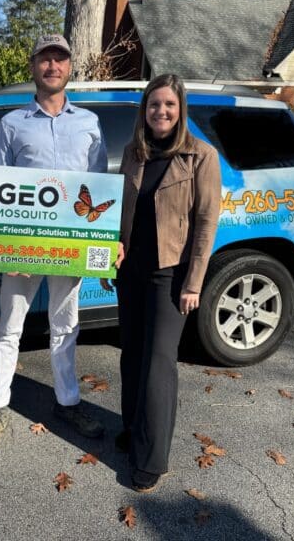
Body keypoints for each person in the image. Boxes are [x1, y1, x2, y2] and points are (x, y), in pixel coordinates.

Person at [0, 34, 108, 452]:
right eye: (45, 58)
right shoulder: (12, 123)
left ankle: (67, 402)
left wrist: (93, 247)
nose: (53, 65)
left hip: (68, 247)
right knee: (9, 328)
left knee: (65, 326)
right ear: (33, 66)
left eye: (60, 59)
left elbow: (99, 185)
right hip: (22, 248)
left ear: (70, 67)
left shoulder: (89, 123)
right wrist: (4, 248)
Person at [103, 73, 221, 492]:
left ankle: (153, 457)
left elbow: (207, 223)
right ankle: (135, 429)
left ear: (180, 109)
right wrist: (111, 250)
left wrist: (194, 283)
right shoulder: (136, 152)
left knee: (158, 363)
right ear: (145, 109)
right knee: (131, 354)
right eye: (155, 105)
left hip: (171, 273)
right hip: (131, 270)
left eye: (169, 105)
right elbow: (120, 210)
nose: (161, 112)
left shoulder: (200, 156)